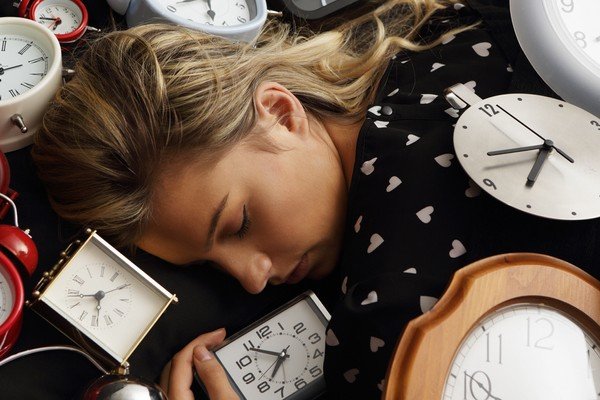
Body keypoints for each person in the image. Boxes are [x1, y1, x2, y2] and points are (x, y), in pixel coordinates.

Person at [30, 0, 600, 398]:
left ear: (280, 113)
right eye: (208, 267)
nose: (251, 280)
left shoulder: (388, 314)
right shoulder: (447, 33)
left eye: (237, 223)